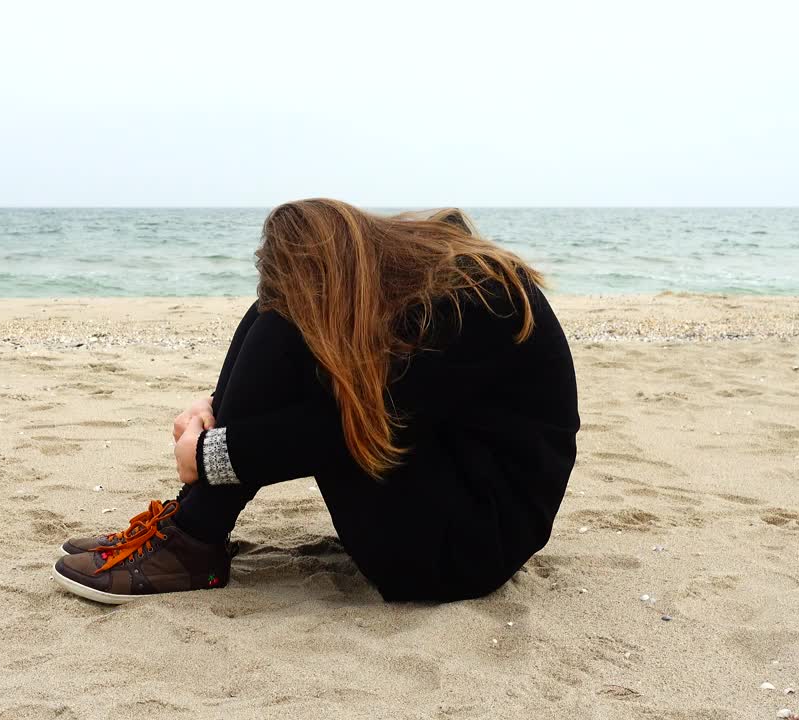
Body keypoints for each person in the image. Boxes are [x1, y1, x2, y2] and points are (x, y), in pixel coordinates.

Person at [52, 199, 579, 603]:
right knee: (272, 311)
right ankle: (189, 529)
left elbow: (353, 425)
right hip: (445, 490)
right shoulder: (429, 281)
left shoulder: (478, 299)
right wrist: (212, 405)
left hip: (466, 548)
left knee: (283, 323)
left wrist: (208, 454)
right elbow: (379, 400)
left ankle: (193, 537)